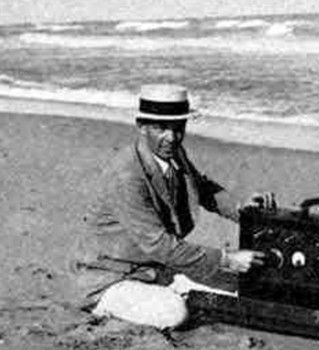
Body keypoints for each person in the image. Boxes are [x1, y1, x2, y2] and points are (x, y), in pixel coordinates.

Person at [69, 84, 276, 329]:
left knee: (239, 291)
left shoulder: (172, 154)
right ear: (142, 126)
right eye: (161, 128)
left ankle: (170, 290)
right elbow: (160, 245)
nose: (171, 137)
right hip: (108, 278)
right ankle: (106, 307)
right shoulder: (127, 176)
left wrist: (242, 210)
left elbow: (203, 188)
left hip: (154, 269)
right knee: (174, 313)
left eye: (178, 128)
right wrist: (227, 259)